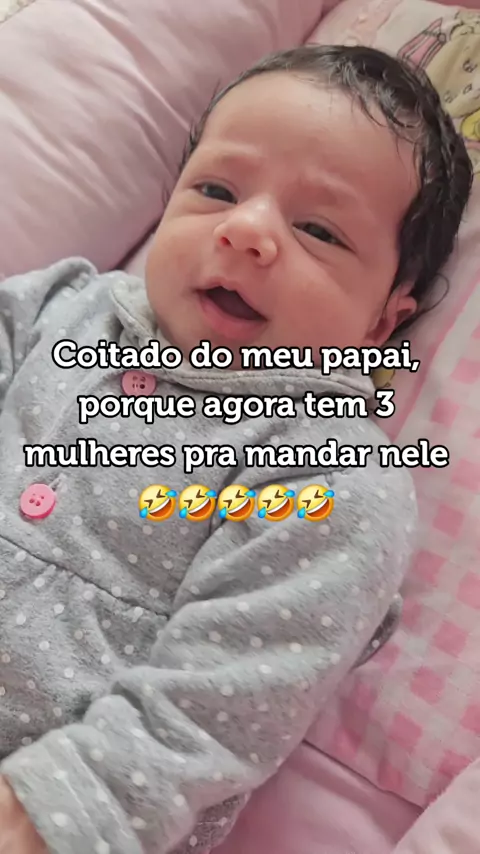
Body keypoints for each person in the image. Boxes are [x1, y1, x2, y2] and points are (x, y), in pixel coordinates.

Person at [0, 44, 472, 854]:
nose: (246, 230)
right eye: (217, 190)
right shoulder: (59, 306)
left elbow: (222, 699)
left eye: (318, 230)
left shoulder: (333, 474)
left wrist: (47, 814)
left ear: (382, 321)